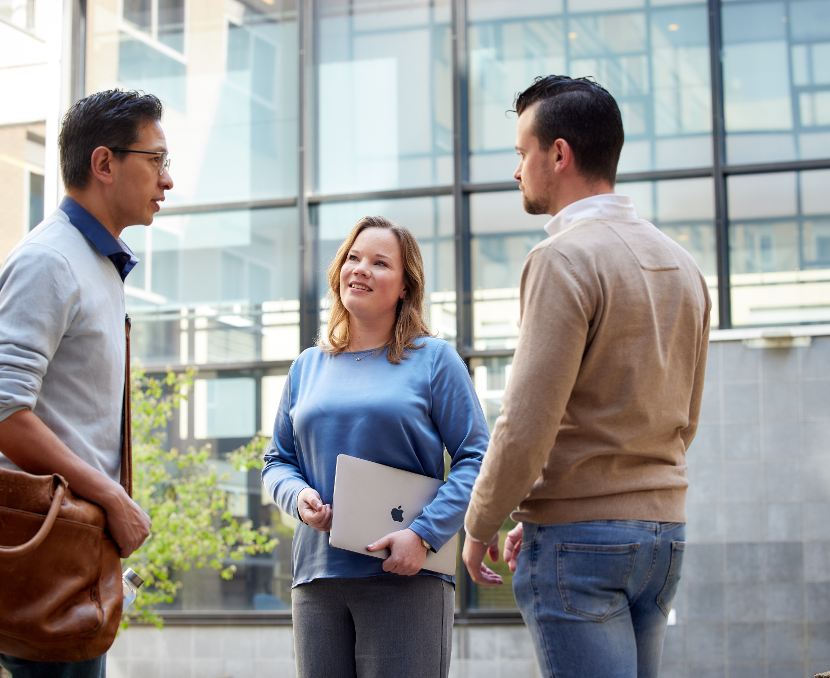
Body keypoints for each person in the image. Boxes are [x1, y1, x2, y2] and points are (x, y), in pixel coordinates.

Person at [460, 75, 711, 678]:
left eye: (522, 152)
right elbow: (688, 417)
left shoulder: (562, 258)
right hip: (663, 539)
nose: (516, 170)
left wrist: (482, 522)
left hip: (580, 543)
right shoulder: (683, 264)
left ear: (559, 154)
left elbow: (526, 423)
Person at [0, 89, 173, 677]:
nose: (167, 180)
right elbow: (0, 411)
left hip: (70, 551)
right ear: (104, 163)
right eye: (156, 160)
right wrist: (111, 497)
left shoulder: (95, 264)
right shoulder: (50, 260)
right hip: (42, 554)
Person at [262, 215, 489, 678]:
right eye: (353, 257)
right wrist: (298, 497)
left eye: (380, 262)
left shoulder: (435, 360)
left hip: (405, 575)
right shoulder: (307, 366)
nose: (361, 268)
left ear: (405, 287)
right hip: (317, 579)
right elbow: (277, 461)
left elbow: (477, 457)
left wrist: (423, 535)